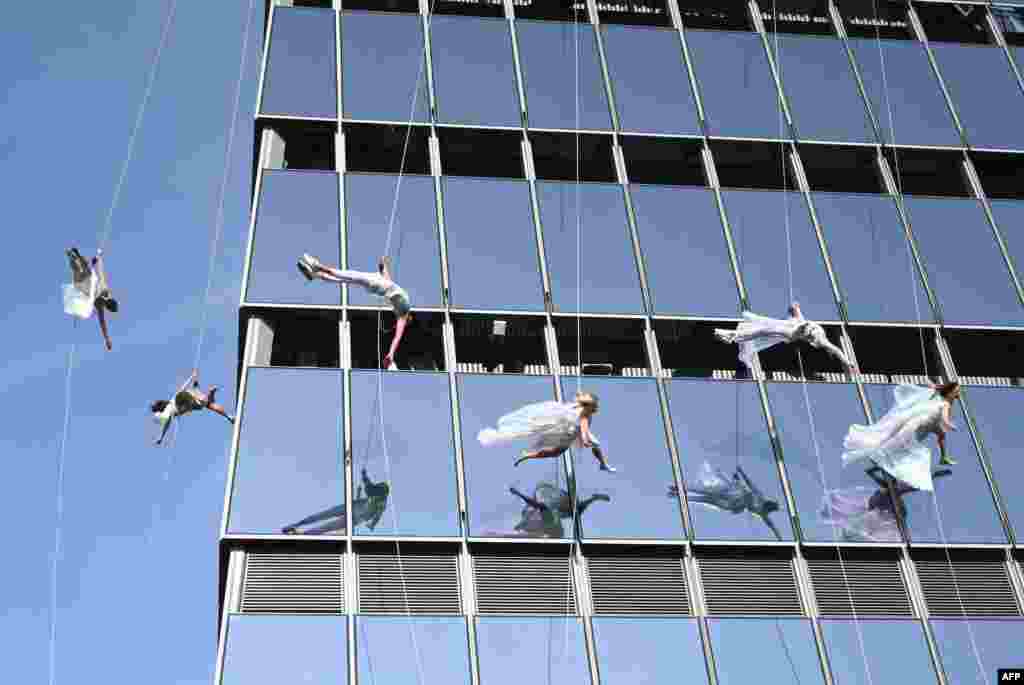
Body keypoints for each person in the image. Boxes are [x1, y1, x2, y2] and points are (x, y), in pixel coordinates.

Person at [841, 382, 961, 492]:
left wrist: (933, 386)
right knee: (906, 447)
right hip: (923, 423)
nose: (958, 393)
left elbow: (933, 389)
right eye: (956, 391)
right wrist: (951, 426)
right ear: (950, 392)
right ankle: (880, 457)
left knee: (941, 435)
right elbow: (945, 419)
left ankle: (944, 457)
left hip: (930, 423)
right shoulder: (945, 403)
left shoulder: (944, 398)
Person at [298, 254, 411, 369]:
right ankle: (317, 274)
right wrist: (383, 265)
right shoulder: (403, 315)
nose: (395, 315)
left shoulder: (400, 303)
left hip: (377, 284)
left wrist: (383, 265)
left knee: (348, 276)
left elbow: (387, 279)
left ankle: (318, 267)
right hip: (376, 285)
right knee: (346, 278)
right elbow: (397, 338)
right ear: (407, 318)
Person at [477, 391, 616, 472]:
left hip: (568, 429)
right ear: (590, 407)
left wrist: (586, 440)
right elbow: (584, 433)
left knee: (554, 449)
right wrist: (586, 441)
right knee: (558, 451)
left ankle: (527, 456)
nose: (594, 410)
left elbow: (584, 430)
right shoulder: (584, 415)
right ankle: (603, 464)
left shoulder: (578, 408)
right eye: (593, 408)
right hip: (570, 431)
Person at [820, 466, 952, 542]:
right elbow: (870, 472)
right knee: (870, 528)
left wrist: (936, 474)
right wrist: (878, 466)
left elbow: (916, 485)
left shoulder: (893, 489)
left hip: (884, 516)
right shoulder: (886, 488)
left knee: (889, 532)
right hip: (879, 516)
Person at [714, 302, 855, 373]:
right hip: (788, 326)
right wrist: (795, 307)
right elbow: (797, 313)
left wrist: (848, 362)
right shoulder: (810, 328)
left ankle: (731, 336)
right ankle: (732, 336)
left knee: (760, 331)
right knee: (760, 329)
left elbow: (836, 350)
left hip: (789, 332)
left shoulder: (818, 339)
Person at [669, 462, 782, 540]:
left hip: (733, 504)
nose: (766, 505)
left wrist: (779, 538)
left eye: (769, 506)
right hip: (733, 494)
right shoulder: (760, 497)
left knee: (706, 499)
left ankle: (679, 494)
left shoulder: (763, 513)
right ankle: (680, 488)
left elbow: (772, 526)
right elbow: (750, 483)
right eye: (769, 504)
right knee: (706, 492)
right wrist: (741, 472)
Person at [282, 469, 390, 535]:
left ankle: (304, 534)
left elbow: (378, 516)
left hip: (354, 517)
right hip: (351, 507)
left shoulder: (382, 502)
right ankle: (296, 525)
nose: (374, 496)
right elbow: (368, 485)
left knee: (327, 526)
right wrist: (364, 475)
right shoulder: (374, 491)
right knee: (324, 514)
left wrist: (372, 525)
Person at [151, 369, 234, 445]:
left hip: (182, 400)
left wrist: (161, 437)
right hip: (186, 396)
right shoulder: (171, 400)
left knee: (202, 402)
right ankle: (228, 416)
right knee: (208, 404)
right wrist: (192, 377)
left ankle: (207, 392)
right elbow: (182, 388)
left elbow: (166, 425)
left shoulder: (167, 411)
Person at [63, 247, 118, 350]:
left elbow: (101, 275)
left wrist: (98, 260)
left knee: (82, 267)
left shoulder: (103, 295)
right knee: (80, 269)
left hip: (86, 281)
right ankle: (74, 257)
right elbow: (102, 323)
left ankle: (75, 257)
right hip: (83, 282)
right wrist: (107, 339)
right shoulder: (101, 302)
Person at [508, 483, 610, 538]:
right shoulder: (544, 517)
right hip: (555, 533)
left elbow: (538, 506)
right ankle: (594, 498)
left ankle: (594, 498)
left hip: (555, 531)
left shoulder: (547, 516)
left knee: (552, 512)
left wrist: (519, 493)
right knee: (574, 510)